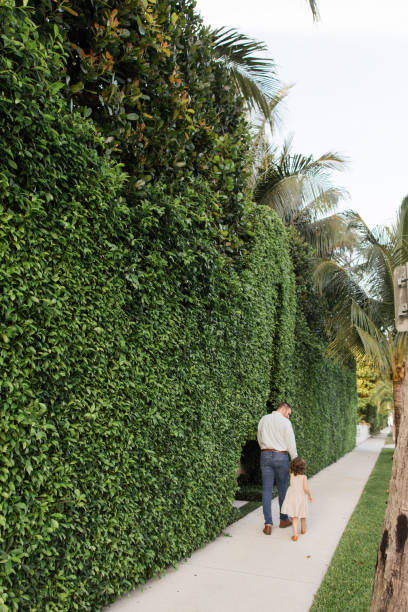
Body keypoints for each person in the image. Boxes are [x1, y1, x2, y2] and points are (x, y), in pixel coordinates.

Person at [257, 401, 298, 535]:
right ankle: (283, 520)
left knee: (267, 490)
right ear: (285, 410)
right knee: (282, 490)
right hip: (281, 457)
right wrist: (295, 459)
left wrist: (265, 449)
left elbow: (259, 437)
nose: (289, 416)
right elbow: (290, 442)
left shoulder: (264, 419)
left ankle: (268, 524)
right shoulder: (286, 422)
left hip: (265, 454)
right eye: (289, 414)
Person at [281, 456, 312, 541]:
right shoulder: (304, 477)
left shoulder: (291, 475)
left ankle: (295, 535)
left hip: (293, 498)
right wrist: (309, 495)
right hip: (301, 498)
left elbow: (290, 469)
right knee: (303, 514)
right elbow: (305, 489)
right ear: (303, 467)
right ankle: (303, 530)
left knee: (295, 517)